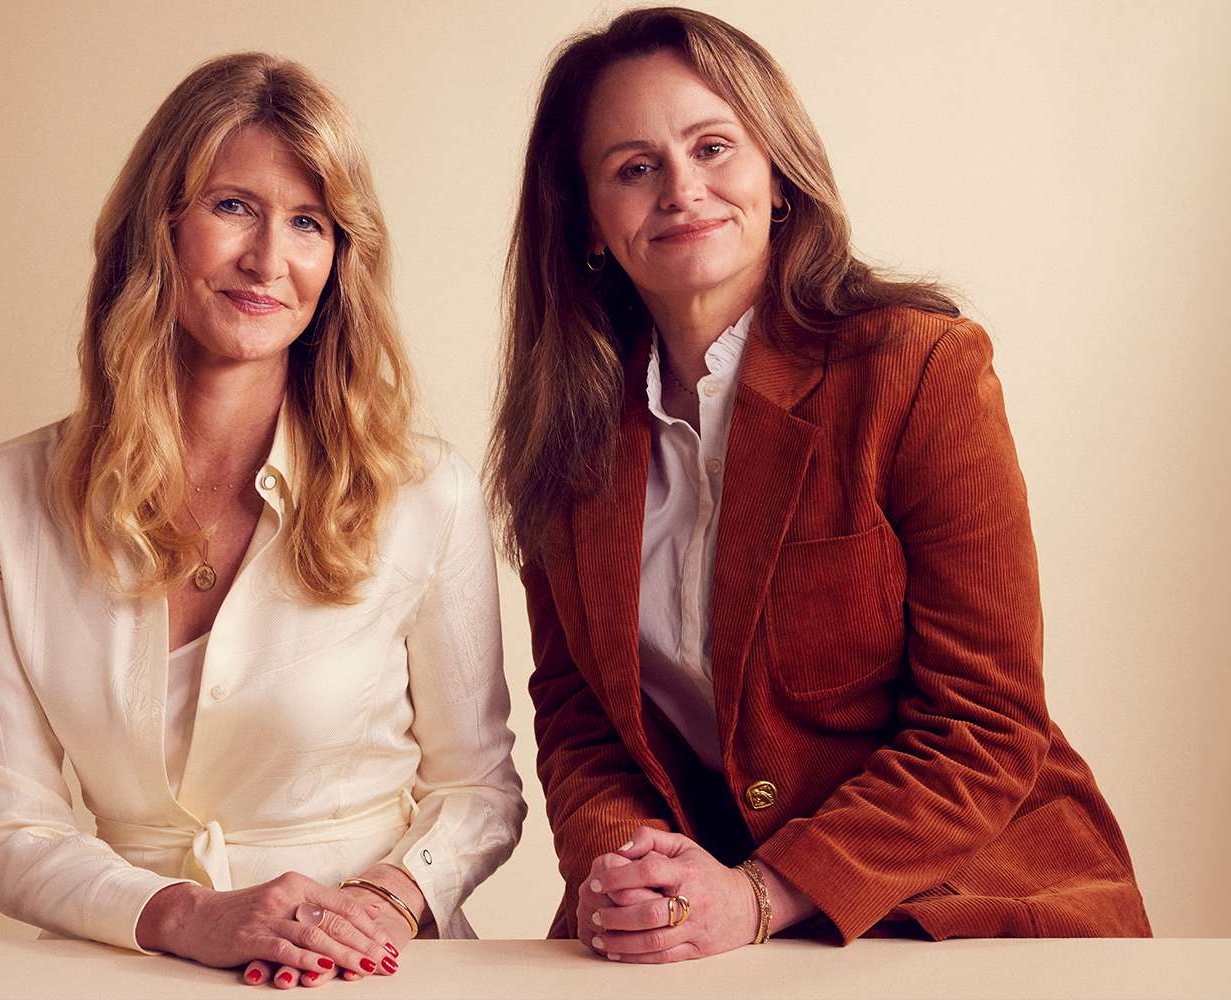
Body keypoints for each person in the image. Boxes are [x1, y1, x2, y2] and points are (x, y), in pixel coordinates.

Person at [487, 6, 1150, 962]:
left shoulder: (921, 368)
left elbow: (987, 725)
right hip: (709, 932)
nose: (682, 189)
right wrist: (635, 873)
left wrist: (760, 893)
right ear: (588, 220)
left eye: (714, 146)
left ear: (776, 171)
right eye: (634, 167)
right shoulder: (564, 434)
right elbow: (580, 718)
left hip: (967, 904)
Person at [0, 53, 525, 988]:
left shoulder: (425, 490)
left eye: (308, 222)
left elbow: (478, 790)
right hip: (123, 966)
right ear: (159, 226)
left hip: (368, 966)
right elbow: (11, 827)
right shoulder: (3, 498)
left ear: (340, 258)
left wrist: (381, 902)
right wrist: (185, 917)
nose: (268, 259)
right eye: (231, 207)